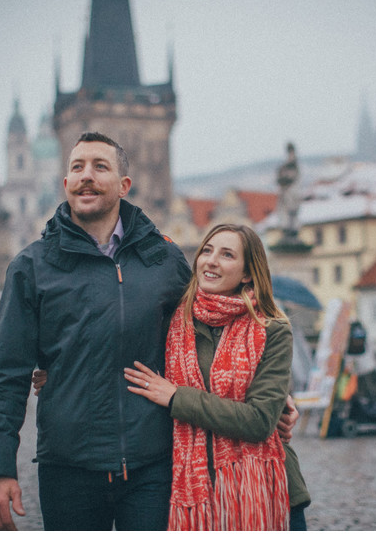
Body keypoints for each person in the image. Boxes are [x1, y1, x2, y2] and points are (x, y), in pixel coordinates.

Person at [0, 132, 191, 531]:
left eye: (99, 166)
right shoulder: (32, 266)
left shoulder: (164, 259)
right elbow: (7, 374)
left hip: (151, 465)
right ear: (65, 184)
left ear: (124, 186)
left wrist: (269, 394)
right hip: (69, 469)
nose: (86, 176)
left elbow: (211, 337)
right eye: (77, 167)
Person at [33, 224, 312, 530]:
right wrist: (64, 374)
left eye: (227, 255)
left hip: (267, 492)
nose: (211, 261)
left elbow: (259, 421)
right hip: (197, 494)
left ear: (247, 272)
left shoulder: (271, 328)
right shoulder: (175, 320)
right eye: (207, 250)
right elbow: (123, 357)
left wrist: (177, 397)